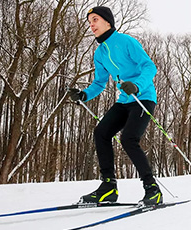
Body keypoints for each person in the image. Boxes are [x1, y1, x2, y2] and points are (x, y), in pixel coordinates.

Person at [68, 6, 162, 205]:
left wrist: (137, 85)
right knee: (101, 132)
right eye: (89, 22)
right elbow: (99, 83)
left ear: (107, 22)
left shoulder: (126, 41)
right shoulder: (100, 53)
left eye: (95, 20)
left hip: (142, 98)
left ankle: (152, 188)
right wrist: (83, 95)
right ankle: (108, 187)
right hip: (124, 101)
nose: (91, 25)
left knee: (129, 139)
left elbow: (149, 66)